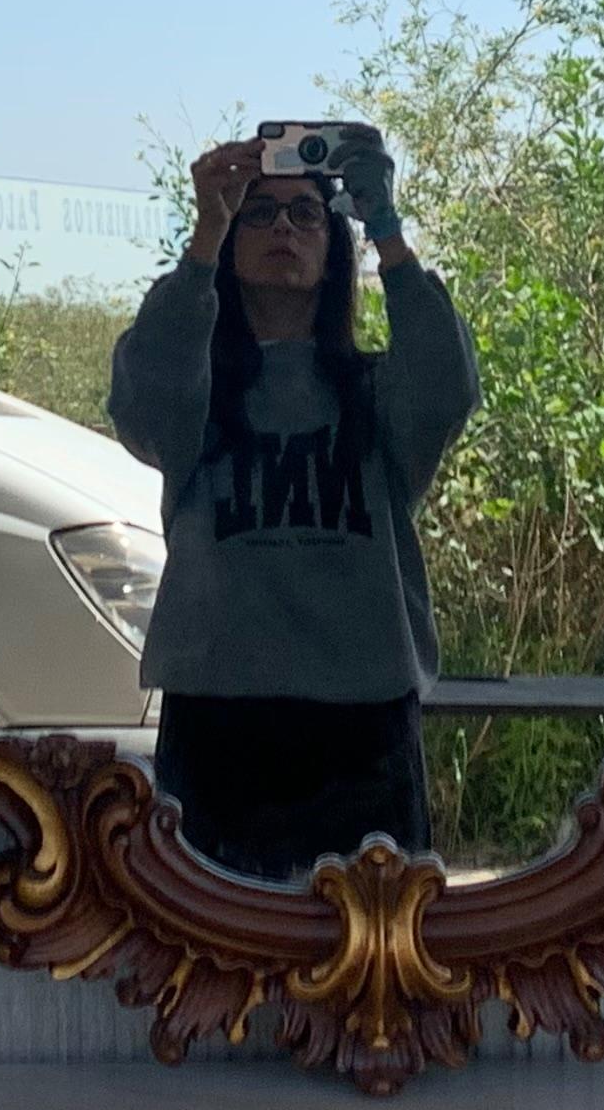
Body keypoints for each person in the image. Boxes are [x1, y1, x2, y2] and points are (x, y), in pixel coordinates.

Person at [106, 126, 477, 879]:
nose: (283, 228)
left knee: (372, 968)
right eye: (259, 211)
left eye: (307, 214)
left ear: (333, 248)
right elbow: (142, 395)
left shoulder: (377, 396)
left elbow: (448, 381)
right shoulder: (195, 396)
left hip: (363, 726)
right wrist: (205, 231)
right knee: (212, 961)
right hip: (218, 720)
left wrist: (388, 228)